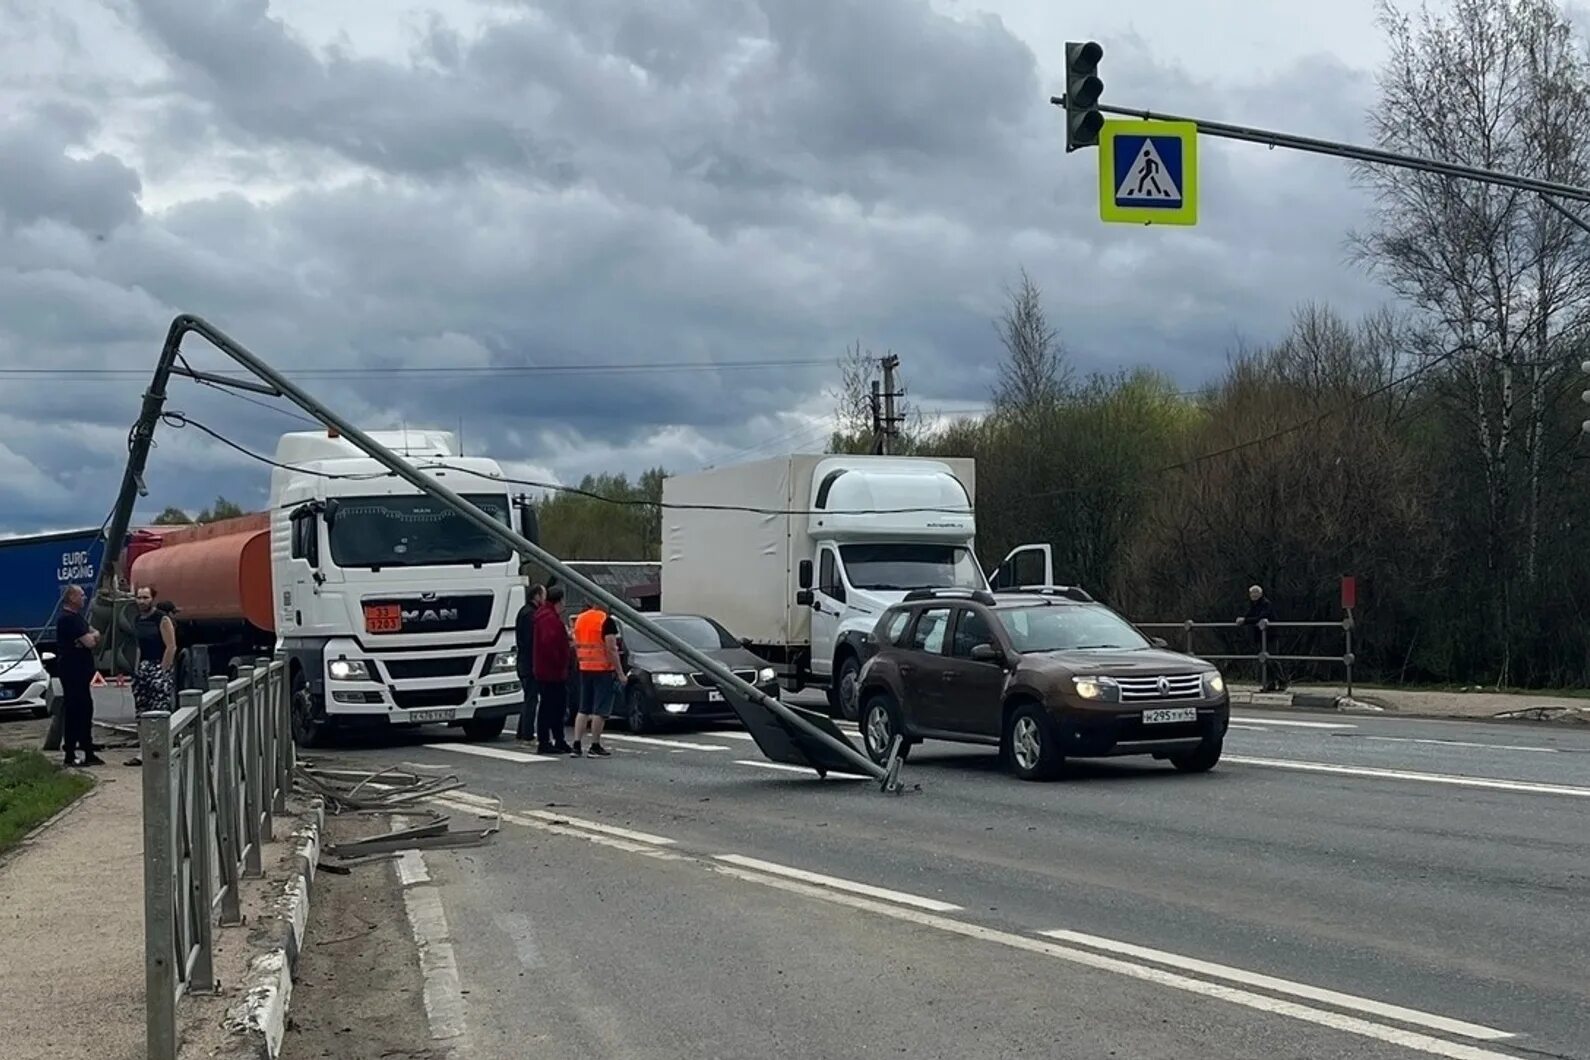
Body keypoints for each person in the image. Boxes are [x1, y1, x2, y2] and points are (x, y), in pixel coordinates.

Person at [124, 587, 178, 766]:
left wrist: (163, 671)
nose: (141, 601)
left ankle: (163, 749)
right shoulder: (137, 620)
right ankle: (144, 751)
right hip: (143, 667)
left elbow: (171, 646)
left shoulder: (162, 618)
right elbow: (138, 646)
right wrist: (137, 668)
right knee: (141, 710)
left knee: (159, 709)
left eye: (145, 597)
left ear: (152, 599)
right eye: (138, 597)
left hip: (158, 665)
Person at [53, 585, 103, 767]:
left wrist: (92, 634)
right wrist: (92, 636)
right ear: (72, 598)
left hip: (82, 674)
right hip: (72, 672)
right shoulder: (68, 620)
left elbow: (93, 632)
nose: (84, 598)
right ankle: (70, 753)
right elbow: (90, 641)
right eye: (81, 595)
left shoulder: (78, 618)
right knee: (74, 712)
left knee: (86, 710)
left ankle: (88, 750)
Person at [570, 602, 626, 758]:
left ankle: (576, 744)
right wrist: (620, 673)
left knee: (583, 708)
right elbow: (611, 648)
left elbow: (576, 644)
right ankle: (595, 745)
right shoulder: (606, 620)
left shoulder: (580, 619)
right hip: (602, 669)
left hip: (584, 667)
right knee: (599, 710)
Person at [532, 586, 574, 755]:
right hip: (552, 672)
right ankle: (546, 741)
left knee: (553, 706)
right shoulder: (550, 620)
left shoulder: (544, 616)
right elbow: (551, 645)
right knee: (552, 707)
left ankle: (557, 739)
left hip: (547, 670)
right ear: (560, 601)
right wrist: (561, 662)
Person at [1236, 584, 1287, 692]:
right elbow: (1250, 616)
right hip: (1260, 636)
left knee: (1272, 659)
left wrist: (1245, 621)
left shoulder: (1266, 604)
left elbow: (1261, 617)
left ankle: (1282, 681)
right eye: (1252, 593)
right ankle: (1270, 683)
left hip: (1270, 635)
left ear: (1260, 593)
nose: (1254, 595)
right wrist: (1243, 619)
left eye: (1256, 593)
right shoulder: (1253, 605)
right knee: (1264, 660)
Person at [514, 582, 546, 741]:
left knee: (528, 697)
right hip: (529, 663)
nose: (545, 599)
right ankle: (527, 733)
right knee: (531, 699)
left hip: (524, 662)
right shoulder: (530, 615)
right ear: (537, 596)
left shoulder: (524, 611)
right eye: (543, 595)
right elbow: (530, 641)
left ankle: (522, 731)